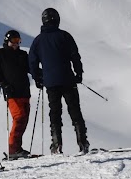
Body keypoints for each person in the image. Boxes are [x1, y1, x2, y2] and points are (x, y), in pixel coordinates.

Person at [28, 8, 90, 154]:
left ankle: (56, 144)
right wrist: (79, 73)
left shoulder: (38, 41)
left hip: (50, 83)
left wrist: (38, 78)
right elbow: (75, 56)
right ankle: (82, 143)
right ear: (57, 19)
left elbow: (32, 62)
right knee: (75, 110)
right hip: (68, 79)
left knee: (55, 113)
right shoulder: (65, 36)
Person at [0, 29, 32, 159]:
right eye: (13, 41)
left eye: (18, 41)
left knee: (24, 120)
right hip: (12, 93)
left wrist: (40, 76)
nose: (16, 44)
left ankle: (17, 148)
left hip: (24, 91)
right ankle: (13, 150)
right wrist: (3, 84)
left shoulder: (23, 54)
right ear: (7, 40)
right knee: (19, 118)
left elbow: (31, 69)